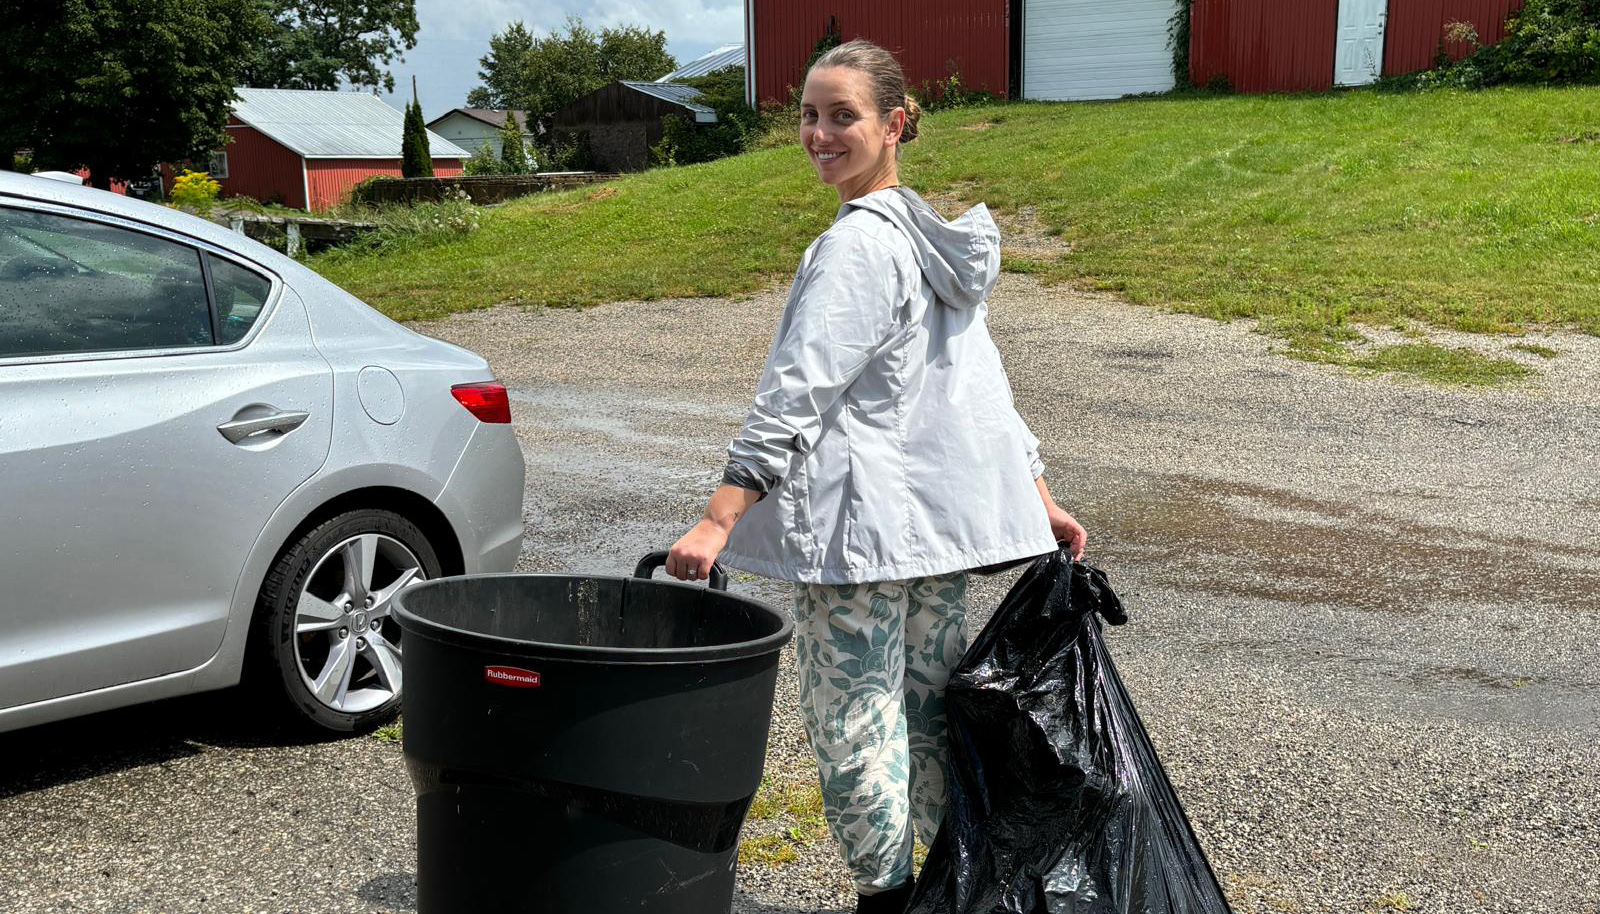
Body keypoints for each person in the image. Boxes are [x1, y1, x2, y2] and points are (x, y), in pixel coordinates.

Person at [666, 39, 1088, 914]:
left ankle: (888, 901)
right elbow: (988, 394)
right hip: (930, 538)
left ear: (896, 124)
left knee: (855, 723)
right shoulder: (934, 246)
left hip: (858, 543)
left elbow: (798, 389)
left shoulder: (860, 246)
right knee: (929, 715)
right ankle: (946, 887)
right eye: (810, 115)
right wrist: (1038, 495)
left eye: (842, 115)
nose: (819, 134)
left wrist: (719, 515)